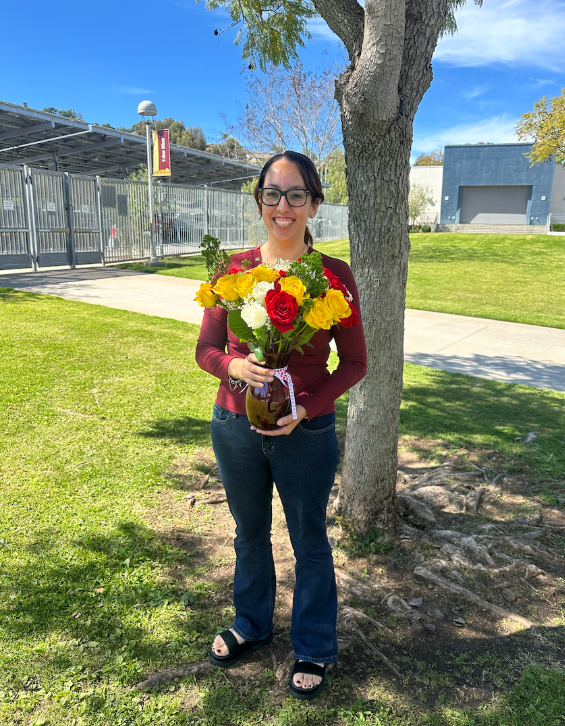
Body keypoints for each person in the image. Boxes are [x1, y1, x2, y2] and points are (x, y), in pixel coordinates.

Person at [195, 150, 367, 700]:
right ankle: (251, 623)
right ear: (260, 201)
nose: (283, 206)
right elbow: (205, 350)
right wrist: (234, 366)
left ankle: (314, 644)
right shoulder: (235, 272)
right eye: (273, 193)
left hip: (307, 434)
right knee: (249, 534)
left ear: (314, 204)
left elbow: (357, 363)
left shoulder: (334, 277)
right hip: (235, 424)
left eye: (297, 194)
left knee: (309, 540)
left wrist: (306, 410)